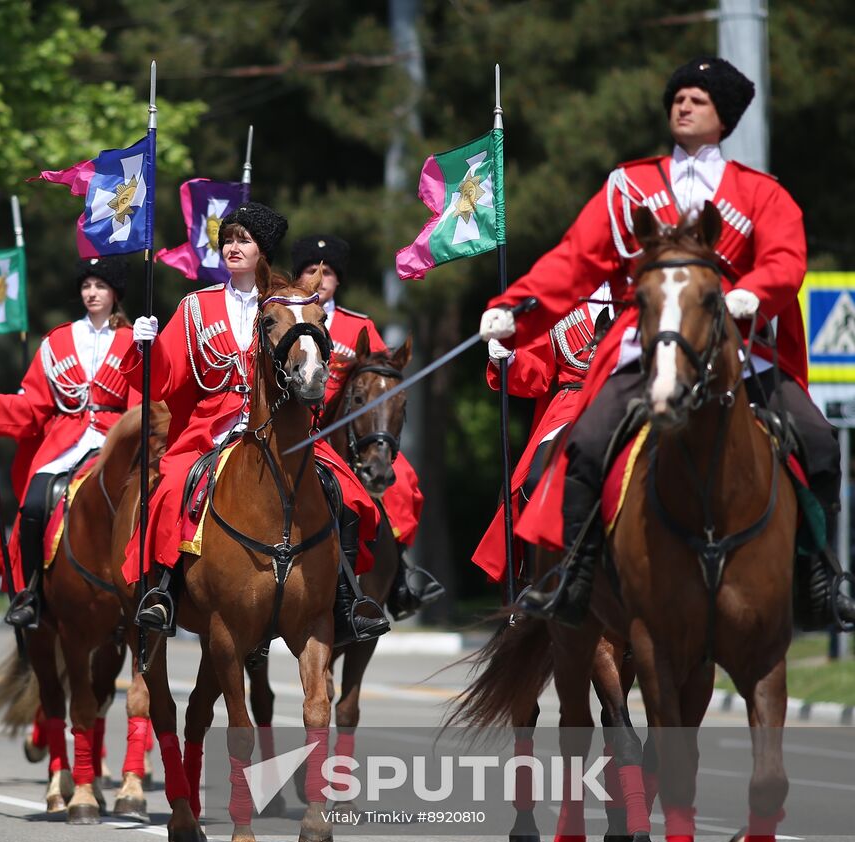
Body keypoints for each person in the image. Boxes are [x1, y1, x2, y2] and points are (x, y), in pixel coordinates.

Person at [478, 56, 853, 628]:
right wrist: (515, 308)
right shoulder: (629, 186)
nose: (683, 104)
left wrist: (755, 292)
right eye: (678, 95)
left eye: (697, 98)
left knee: (819, 440)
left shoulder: (760, 193)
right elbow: (576, 260)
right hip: (644, 348)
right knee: (583, 443)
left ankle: (819, 575)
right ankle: (573, 577)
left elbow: (784, 258)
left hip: (734, 349)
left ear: (723, 115)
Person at [122, 201, 389, 643]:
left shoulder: (288, 304)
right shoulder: (195, 307)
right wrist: (145, 348)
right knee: (169, 490)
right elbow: (165, 377)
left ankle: (348, 597)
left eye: (242, 240)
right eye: (227, 239)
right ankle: (163, 591)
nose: (231, 247)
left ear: (262, 250)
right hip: (209, 429)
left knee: (347, 493)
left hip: (280, 426)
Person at [0, 256, 140, 630]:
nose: (92, 293)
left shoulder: (132, 339)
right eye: (86, 286)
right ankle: (31, 592)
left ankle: (153, 590)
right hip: (67, 440)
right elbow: (34, 405)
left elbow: (144, 400)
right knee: (33, 504)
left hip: (117, 438)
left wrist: (149, 350)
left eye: (100, 286)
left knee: (147, 500)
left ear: (115, 293)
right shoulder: (58, 340)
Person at [291, 233, 443, 618]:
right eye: (311, 270)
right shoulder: (288, 316)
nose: (319, 278)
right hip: (296, 433)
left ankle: (399, 578)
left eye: (328, 273)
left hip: (348, 441)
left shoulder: (359, 325)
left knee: (404, 482)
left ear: (338, 281)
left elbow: (382, 381)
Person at [472, 285, 609, 585]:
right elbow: (538, 371)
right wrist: (508, 358)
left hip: (630, 396)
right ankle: (536, 585)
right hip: (571, 405)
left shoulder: (642, 291)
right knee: (534, 482)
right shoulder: (563, 302)